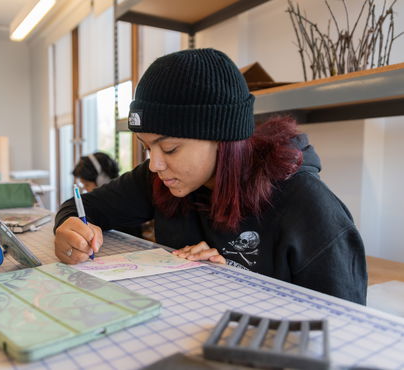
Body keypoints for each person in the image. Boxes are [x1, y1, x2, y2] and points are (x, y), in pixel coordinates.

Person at [53, 48, 367, 304]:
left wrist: (235, 280)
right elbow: (83, 207)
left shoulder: (307, 207)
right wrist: (70, 228)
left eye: (171, 147)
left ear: (223, 139)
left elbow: (348, 326)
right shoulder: (161, 179)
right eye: (147, 147)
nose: (154, 165)